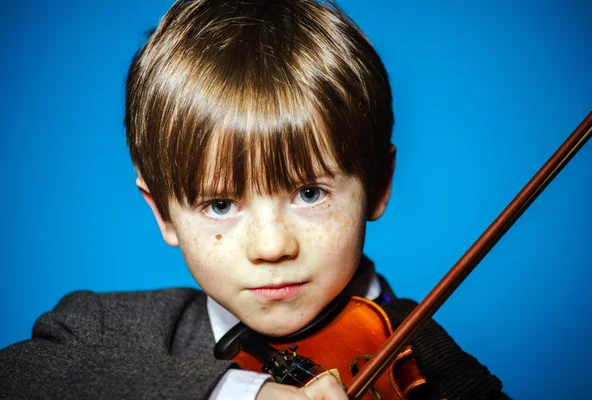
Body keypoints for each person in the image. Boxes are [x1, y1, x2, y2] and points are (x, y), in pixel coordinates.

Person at [0, 0, 509, 398]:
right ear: (162, 213)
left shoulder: (424, 359)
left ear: (378, 186)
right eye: (220, 205)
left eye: (310, 193)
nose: (271, 247)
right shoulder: (108, 332)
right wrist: (242, 392)